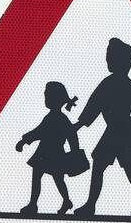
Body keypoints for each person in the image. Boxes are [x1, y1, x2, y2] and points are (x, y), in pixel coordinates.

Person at [74, 37, 131, 218]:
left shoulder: (113, 84)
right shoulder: (129, 86)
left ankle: (91, 205)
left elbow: (94, 105)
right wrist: (79, 124)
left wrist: (79, 124)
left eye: (110, 58)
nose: (107, 61)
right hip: (123, 134)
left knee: (106, 166)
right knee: (130, 168)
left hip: (118, 133)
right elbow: (95, 106)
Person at [15, 82, 84, 215]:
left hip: (52, 154)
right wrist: (24, 140)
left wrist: (24, 141)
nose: (46, 99)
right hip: (45, 154)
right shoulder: (54, 117)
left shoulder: (57, 118)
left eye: (48, 96)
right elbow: (39, 132)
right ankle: (35, 204)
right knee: (43, 177)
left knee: (57, 179)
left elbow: (40, 132)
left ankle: (62, 201)